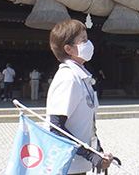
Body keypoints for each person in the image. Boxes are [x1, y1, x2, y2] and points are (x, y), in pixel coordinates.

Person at [46, 19, 113, 175]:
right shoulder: (68, 78)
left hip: (78, 164)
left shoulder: (82, 77)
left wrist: (98, 152)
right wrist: (90, 155)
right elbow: (55, 127)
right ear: (68, 49)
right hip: (67, 165)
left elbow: (85, 124)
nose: (88, 44)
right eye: (83, 41)